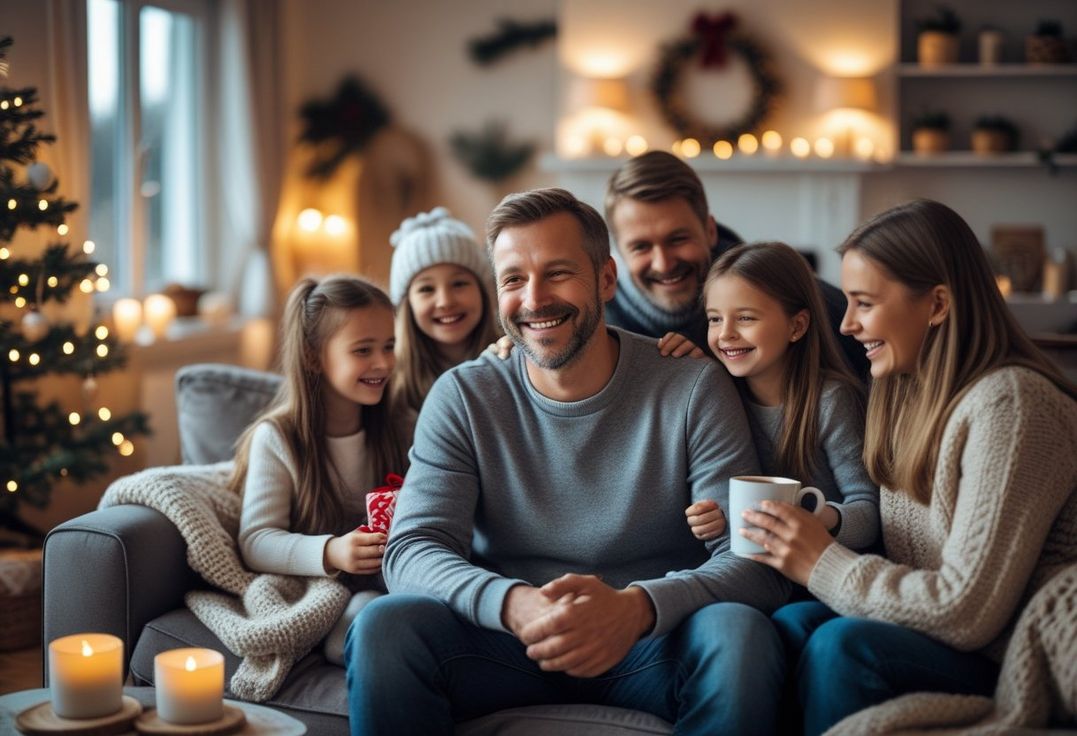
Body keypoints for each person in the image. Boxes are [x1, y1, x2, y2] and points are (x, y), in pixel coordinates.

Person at [346, 188, 790, 736]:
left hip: (649, 641)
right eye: (513, 279)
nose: (533, 300)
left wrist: (637, 608)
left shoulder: (692, 386)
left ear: (606, 279)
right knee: (383, 625)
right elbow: (412, 549)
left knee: (739, 632)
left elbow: (752, 564)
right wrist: (514, 605)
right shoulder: (463, 395)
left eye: (557, 273)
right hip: (505, 641)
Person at [737, 199, 1077, 736]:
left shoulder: (1012, 405)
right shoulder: (901, 394)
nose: (847, 325)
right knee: (790, 622)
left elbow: (969, 612)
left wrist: (821, 562)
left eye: (864, 303)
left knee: (842, 645)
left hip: (1008, 649)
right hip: (947, 634)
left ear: (937, 304)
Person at [229, 275, 411, 665]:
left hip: (394, 582)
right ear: (313, 356)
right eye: (363, 350)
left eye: (389, 346)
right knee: (357, 621)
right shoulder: (278, 437)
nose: (382, 363)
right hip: (323, 587)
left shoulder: (403, 425)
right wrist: (331, 551)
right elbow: (256, 540)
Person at [604, 150, 869, 378]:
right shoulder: (598, 321)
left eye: (678, 239)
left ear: (710, 230)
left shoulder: (781, 291)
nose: (663, 264)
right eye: (641, 247)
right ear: (619, 251)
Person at [685, 242, 878, 553]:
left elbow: (868, 515)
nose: (725, 334)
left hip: (822, 572)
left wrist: (809, 516)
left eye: (745, 318)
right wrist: (715, 519)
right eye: (715, 319)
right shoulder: (715, 396)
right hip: (755, 574)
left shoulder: (829, 400)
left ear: (797, 325)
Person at [389, 206, 500, 416]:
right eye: (426, 289)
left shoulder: (512, 360)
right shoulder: (391, 384)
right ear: (407, 305)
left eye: (459, 284)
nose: (445, 302)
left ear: (483, 292)